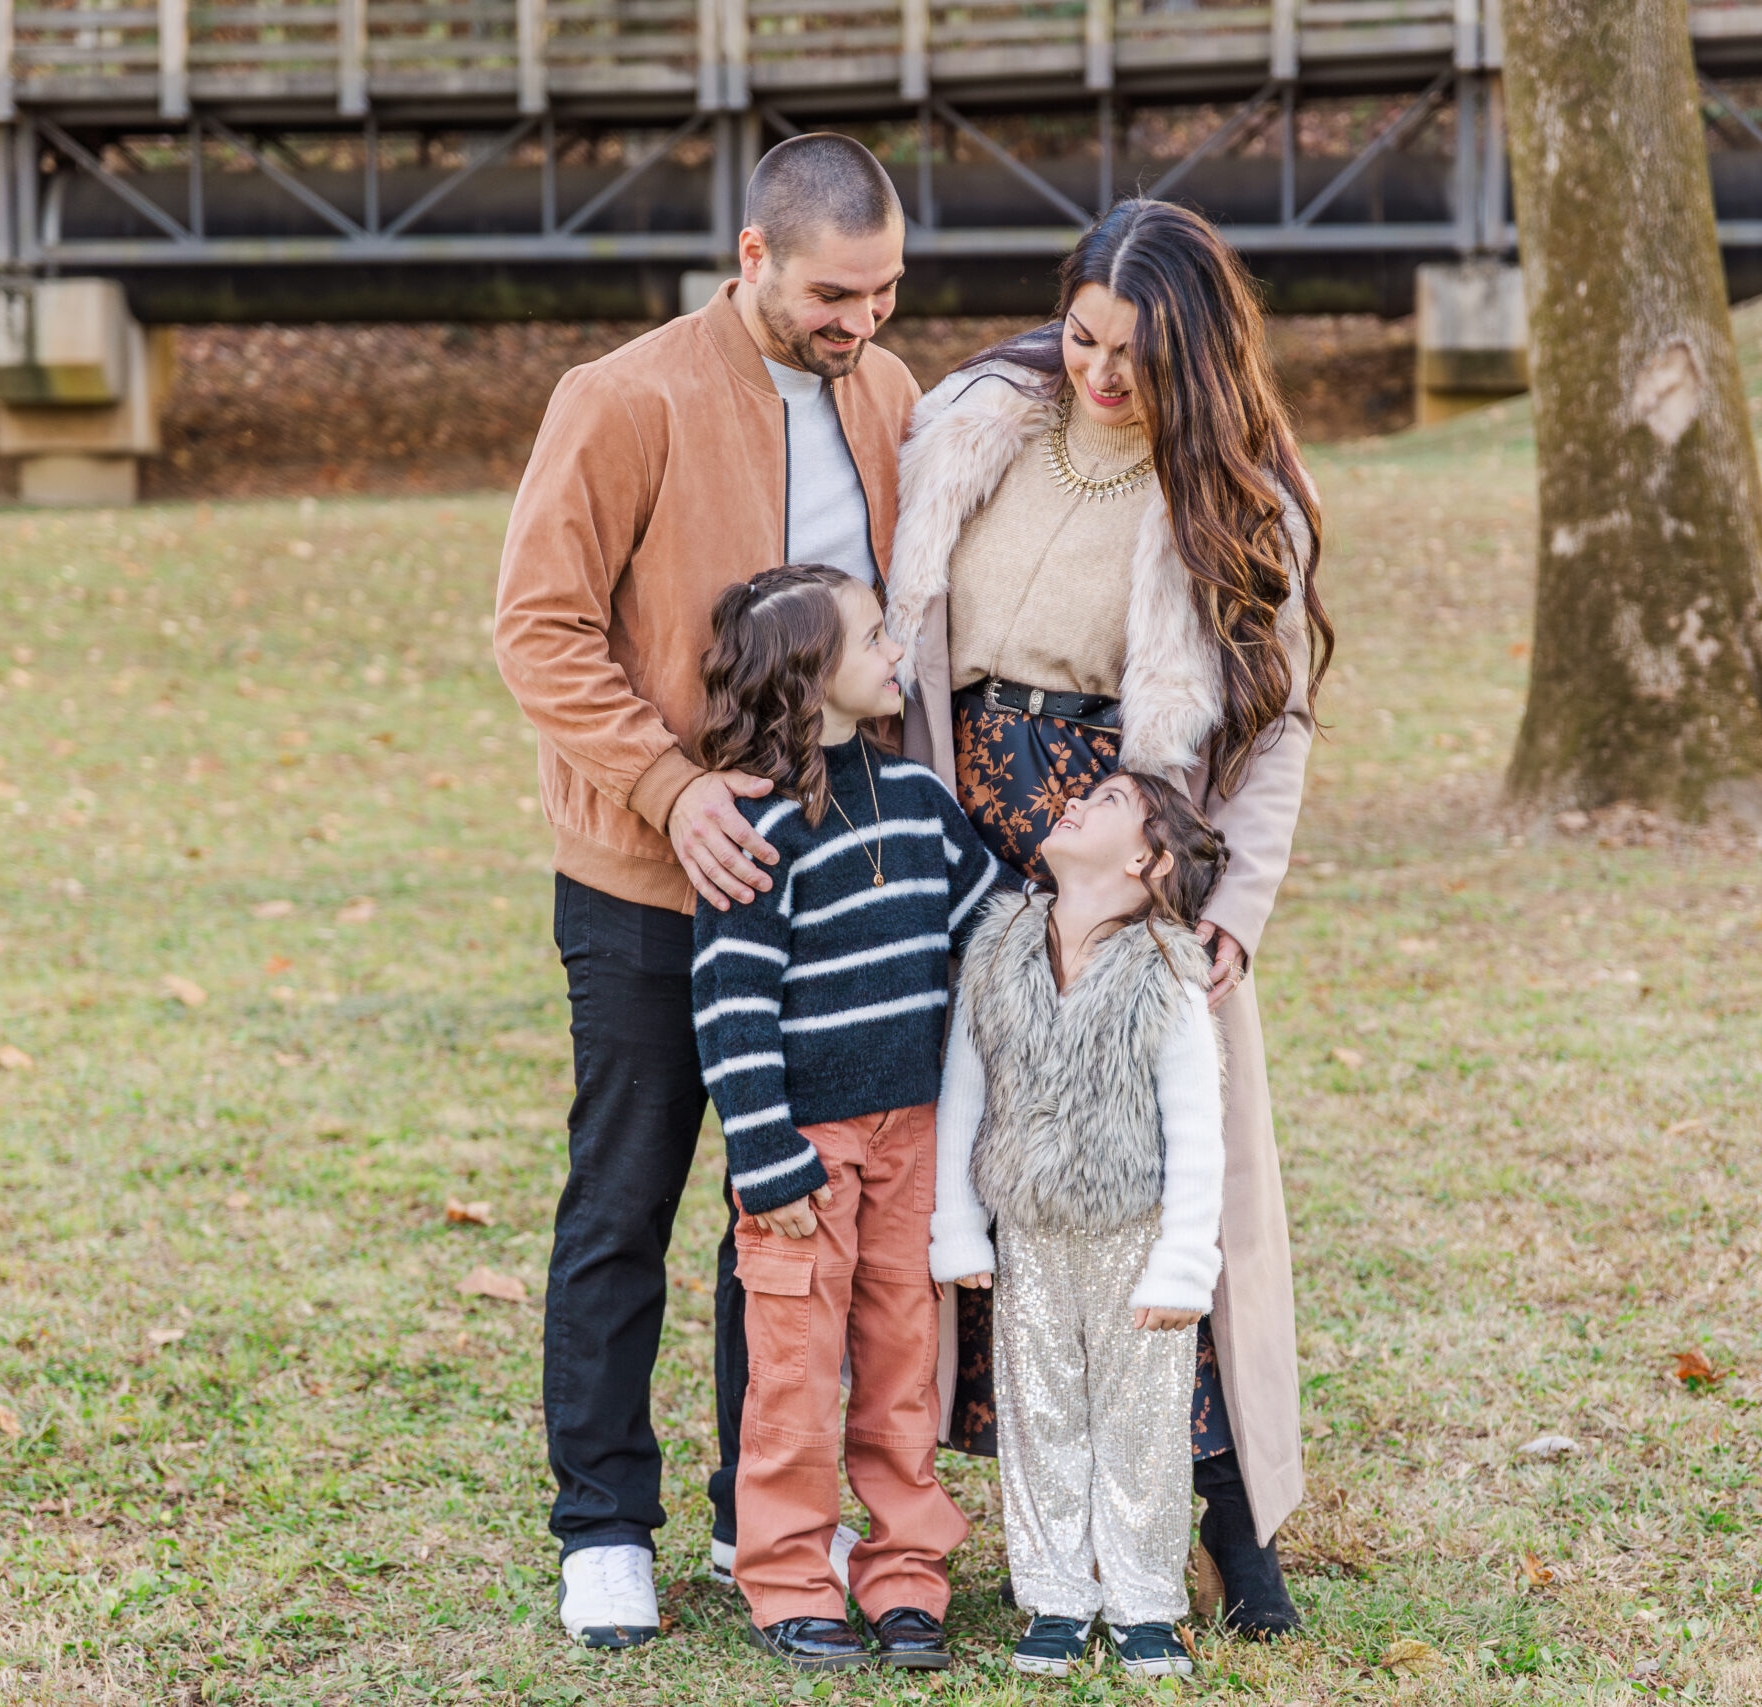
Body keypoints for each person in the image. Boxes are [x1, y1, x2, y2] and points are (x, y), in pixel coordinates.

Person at [493, 132, 919, 1649]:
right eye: (830, 293)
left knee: (785, 1208)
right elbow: (536, 628)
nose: (858, 323)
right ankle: (602, 1521)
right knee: (625, 1195)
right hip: (643, 877)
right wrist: (671, 793)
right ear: (753, 257)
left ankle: (768, 1510)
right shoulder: (621, 398)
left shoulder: (889, 393)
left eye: (881, 292)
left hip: (820, 893)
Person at [886, 198, 1334, 1636]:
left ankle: (1229, 1526)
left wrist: (1234, 910)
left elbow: (1284, 727)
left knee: (1158, 1183)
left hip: (1127, 852)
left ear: (1196, 355)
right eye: (1082, 336)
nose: (1099, 373)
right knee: (991, 1176)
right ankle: (1026, 1519)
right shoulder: (980, 428)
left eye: (1136, 355)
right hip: (969, 830)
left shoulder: (1238, 499)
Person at [687, 564, 1004, 1671]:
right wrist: (764, 1157)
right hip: (802, 1157)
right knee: (792, 1375)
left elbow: (990, 923)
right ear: (806, 680)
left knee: (900, 1360)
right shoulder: (752, 829)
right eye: (872, 639)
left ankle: (906, 1572)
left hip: (912, 1139)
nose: (895, 654)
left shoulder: (918, 799)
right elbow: (729, 1006)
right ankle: (786, 1577)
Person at [929, 774, 1231, 1680]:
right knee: (1039, 1410)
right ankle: (1055, 1595)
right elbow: (963, 1097)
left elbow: (1197, 1129)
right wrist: (958, 1224)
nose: (1074, 799)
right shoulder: (1000, 949)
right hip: (1028, 1231)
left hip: (1133, 1231)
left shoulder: (1166, 972)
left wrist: (1184, 1262)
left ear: (1148, 859)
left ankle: (1144, 1599)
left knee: (1139, 1417)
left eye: (1105, 800)